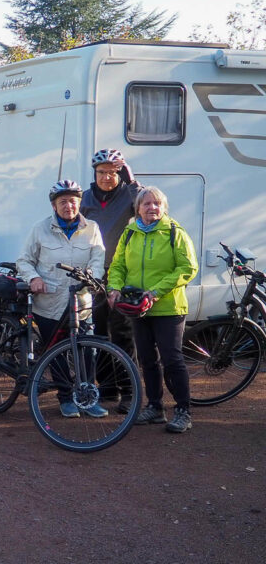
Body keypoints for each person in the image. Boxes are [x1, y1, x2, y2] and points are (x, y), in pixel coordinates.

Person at [107, 186, 198, 434]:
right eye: (146, 204)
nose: (152, 208)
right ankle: (155, 407)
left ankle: (183, 410)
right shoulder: (129, 233)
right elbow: (118, 266)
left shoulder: (174, 232)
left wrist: (156, 291)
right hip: (139, 308)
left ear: (163, 208)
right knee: (147, 360)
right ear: (137, 208)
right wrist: (114, 287)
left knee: (172, 359)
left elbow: (188, 268)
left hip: (168, 307)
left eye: (157, 204)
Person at [17, 180, 108, 418]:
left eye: (73, 201)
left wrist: (93, 278)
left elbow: (98, 258)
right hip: (50, 302)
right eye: (63, 202)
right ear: (54, 206)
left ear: (80, 203)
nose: (69, 206)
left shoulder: (92, 228)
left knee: (87, 351)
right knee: (55, 351)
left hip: (81, 302)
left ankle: (88, 398)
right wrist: (33, 278)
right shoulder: (40, 229)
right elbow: (24, 260)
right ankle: (66, 397)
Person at [80, 148, 143, 412]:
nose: (107, 177)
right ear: (94, 174)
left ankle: (130, 392)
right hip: (95, 274)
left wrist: (130, 177)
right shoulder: (85, 198)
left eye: (112, 172)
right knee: (101, 332)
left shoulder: (129, 193)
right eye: (102, 172)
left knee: (123, 333)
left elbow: (148, 202)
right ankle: (107, 388)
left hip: (122, 273)